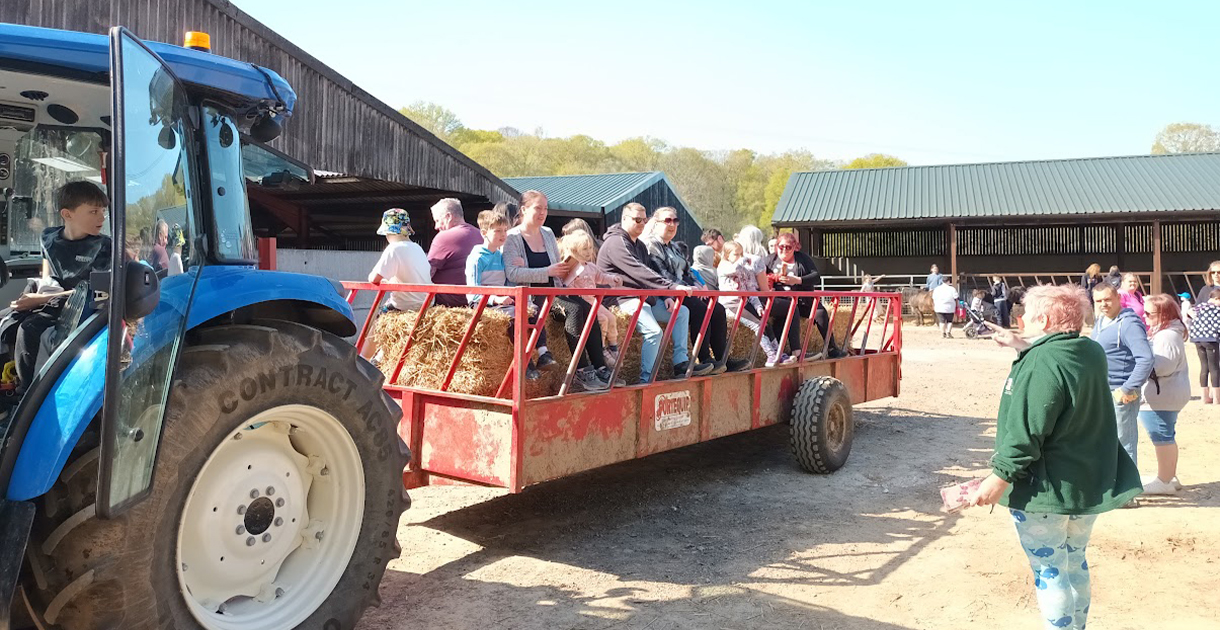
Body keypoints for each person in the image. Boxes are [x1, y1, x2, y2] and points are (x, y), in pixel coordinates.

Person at [972, 285, 1141, 630]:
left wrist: (998, 477)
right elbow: (1058, 360)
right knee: (1074, 559)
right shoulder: (1089, 350)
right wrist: (1019, 342)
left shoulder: (1041, 363)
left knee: (1049, 572)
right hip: (1084, 484)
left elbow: (1027, 431)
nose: (1021, 322)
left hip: (1047, 489)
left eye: (1028, 318)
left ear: (1045, 319)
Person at [0, 181, 111, 392]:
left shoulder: (105, 247)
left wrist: (41, 300)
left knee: (28, 329)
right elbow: (46, 274)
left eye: (103, 211)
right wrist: (39, 294)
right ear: (67, 214)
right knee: (5, 320)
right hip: (51, 295)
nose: (102, 218)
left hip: (79, 305)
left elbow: (95, 291)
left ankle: (27, 394)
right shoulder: (49, 238)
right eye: (94, 211)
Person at [505, 190, 613, 391]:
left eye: (545, 208)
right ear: (523, 209)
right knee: (573, 310)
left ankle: (600, 366)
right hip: (532, 300)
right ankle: (581, 370)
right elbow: (512, 274)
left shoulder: (547, 233)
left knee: (588, 308)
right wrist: (547, 271)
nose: (542, 213)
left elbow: (555, 269)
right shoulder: (512, 238)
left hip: (553, 294)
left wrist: (565, 269)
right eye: (538, 208)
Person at [598, 202, 711, 382]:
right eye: (637, 219)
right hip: (620, 298)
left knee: (682, 312)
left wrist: (666, 295)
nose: (642, 223)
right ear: (624, 219)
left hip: (642, 297)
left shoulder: (640, 245)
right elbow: (639, 272)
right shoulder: (616, 242)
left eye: (644, 219)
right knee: (654, 332)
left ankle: (680, 363)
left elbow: (650, 273)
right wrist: (672, 287)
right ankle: (647, 379)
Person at [643, 207, 748, 374]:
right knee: (700, 309)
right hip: (667, 292)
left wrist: (697, 285)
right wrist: (684, 286)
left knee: (718, 309)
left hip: (685, 290)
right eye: (667, 221)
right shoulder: (651, 245)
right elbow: (660, 273)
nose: (672, 224)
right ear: (656, 223)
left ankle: (723, 359)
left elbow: (688, 271)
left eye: (675, 221)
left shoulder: (674, 247)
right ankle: (704, 357)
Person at [466, 210, 544, 381]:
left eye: (504, 230)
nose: (503, 235)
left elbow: (509, 280)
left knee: (534, 310)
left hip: (503, 300)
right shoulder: (477, 258)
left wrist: (520, 265)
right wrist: (495, 298)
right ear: (484, 232)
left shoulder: (501, 256)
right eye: (497, 231)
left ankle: (544, 352)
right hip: (484, 302)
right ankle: (526, 365)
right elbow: (472, 293)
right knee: (515, 318)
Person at [1091, 284, 1154, 478]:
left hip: (1121, 393)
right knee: (1106, 441)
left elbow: (1146, 359)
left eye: (1107, 299)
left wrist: (1128, 388)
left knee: (1123, 442)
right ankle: (1112, 484)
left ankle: (1127, 492)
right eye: (1099, 301)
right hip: (1102, 391)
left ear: (1118, 297)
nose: (1104, 304)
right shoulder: (1101, 321)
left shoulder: (1128, 324)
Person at [361, 208, 433, 363]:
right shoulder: (418, 248)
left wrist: (386, 282)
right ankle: (381, 356)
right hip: (426, 304)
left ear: (388, 232)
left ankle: (364, 359)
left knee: (380, 319)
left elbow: (373, 278)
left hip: (405, 304)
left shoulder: (394, 249)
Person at [1138, 294, 1191, 495]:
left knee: (1161, 435)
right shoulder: (1168, 333)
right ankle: (1170, 476)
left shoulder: (1166, 335)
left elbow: (1163, 365)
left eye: (1149, 314)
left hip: (1162, 394)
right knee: (1166, 433)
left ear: (1164, 314)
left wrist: (1140, 364)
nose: (1145, 317)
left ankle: (1164, 480)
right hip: (1167, 392)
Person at [764, 232, 844, 360]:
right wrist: (771, 283)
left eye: (788, 247)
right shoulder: (769, 260)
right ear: (776, 246)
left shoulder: (802, 258)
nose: (784, 250)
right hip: (782, 300)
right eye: (781, 246)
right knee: (780, 320)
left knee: (820, 312)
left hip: (803, 300)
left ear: (795, 247)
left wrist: (797, 280)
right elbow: (761, 277)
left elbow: (815, 276)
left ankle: (831, 347)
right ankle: (782, 353)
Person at [557, 230, 624, 370]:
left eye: (590, 248)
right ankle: (602, 349)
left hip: (593, 301)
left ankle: (614, 346)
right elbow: (566, 286)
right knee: (602, 319)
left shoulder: (591, 267)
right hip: (583, 302)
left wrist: (613, 279)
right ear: (574, 250)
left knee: (611, 317)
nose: (588, 252)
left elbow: (601, 277)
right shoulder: (571, 269)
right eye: (584, 248)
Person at [718, 241, 786, 366]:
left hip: (744, 302)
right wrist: (744, 261)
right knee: (757, 325)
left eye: (741, 254)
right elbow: (733, 269)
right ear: (727, 255)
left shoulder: (743, 269)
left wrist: (758, 306)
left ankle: (779, 353)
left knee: (765, 321)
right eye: (736, 254)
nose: (740, 257)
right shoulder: (724, 266)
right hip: (731, 304)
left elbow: (750, 289)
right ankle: (771, 355)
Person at [427, 198, 483, 307]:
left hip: (447, 303)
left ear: (448, 216)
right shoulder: (480, 234)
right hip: (475, 301)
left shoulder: (444, 237)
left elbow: (428, 272)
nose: (436, 227)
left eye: (438, 221)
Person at [1187, 287, 1220, 404]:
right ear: (1216, 299)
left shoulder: (1200, 307)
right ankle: (1217, 398)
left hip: (1197, 338)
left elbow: (1189, 313)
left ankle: (1204, 397)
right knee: (1215, 367)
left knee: (1204, 366)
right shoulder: (1217, 309)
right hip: (1211, 339)